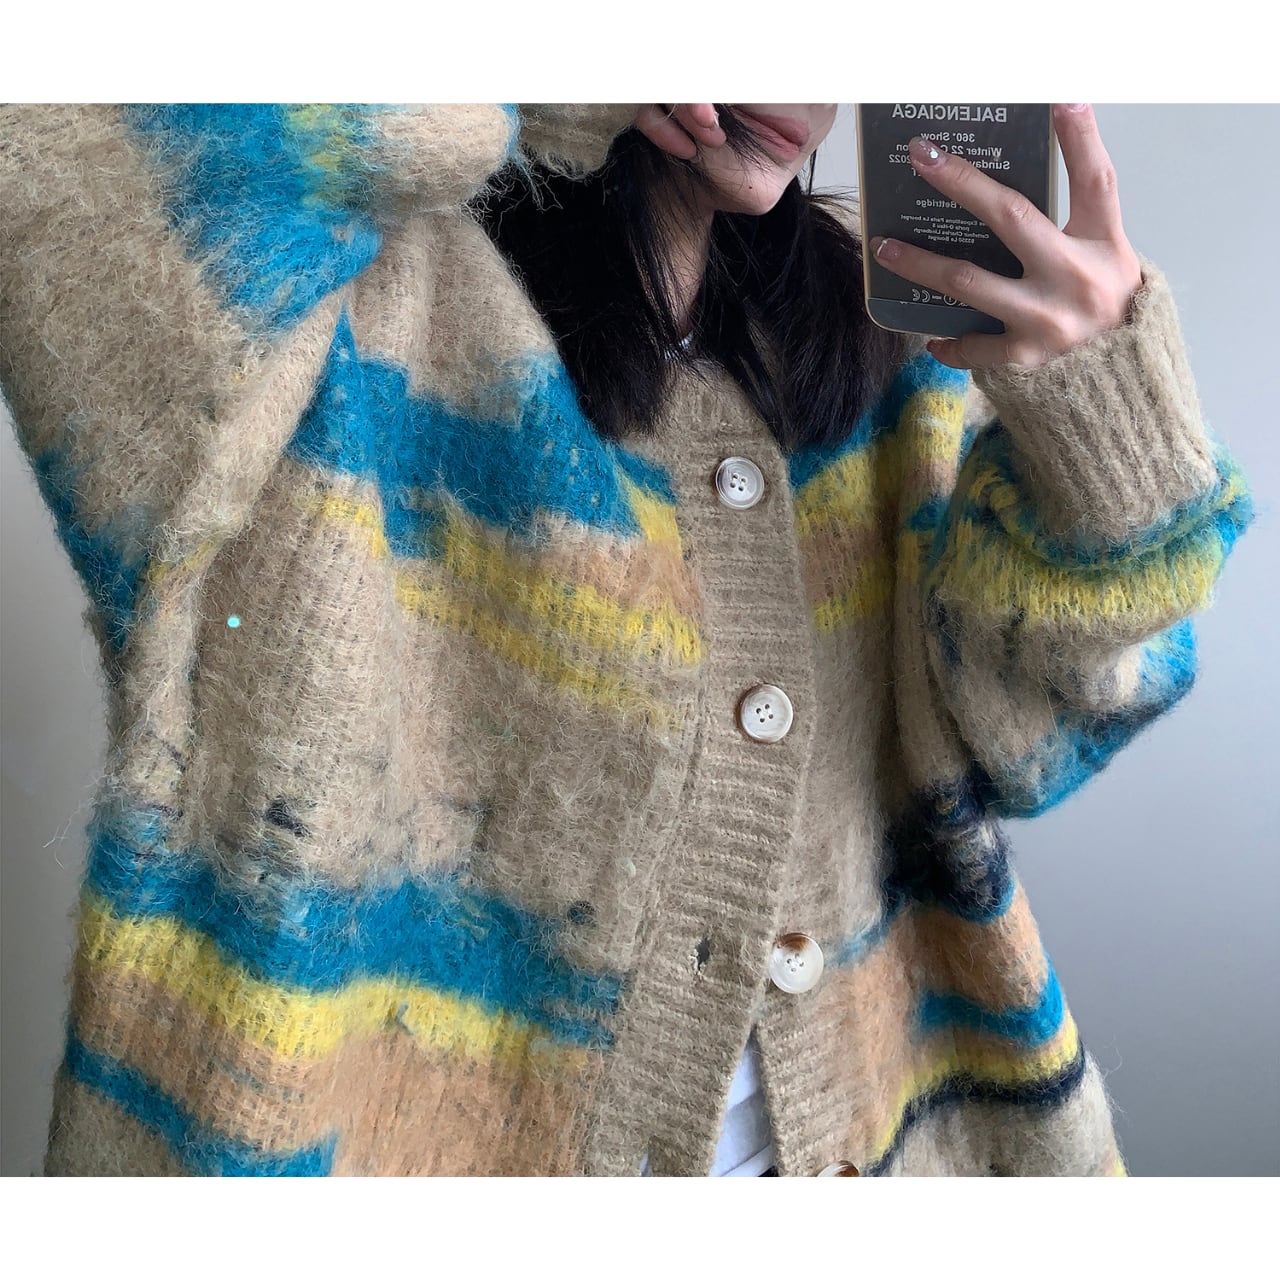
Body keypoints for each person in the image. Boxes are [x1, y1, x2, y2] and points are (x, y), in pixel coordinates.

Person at [0, 103, 1254, 1177]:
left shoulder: (881, 340)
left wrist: (1101, 429)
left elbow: (1033, 740)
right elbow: (45, 140)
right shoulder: (317, 312)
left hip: (886, 1138)